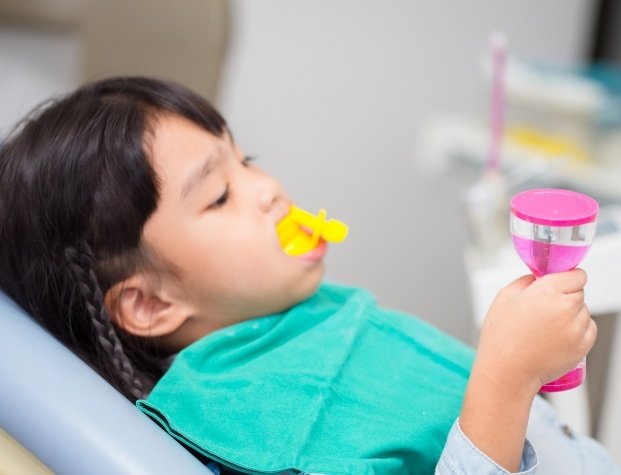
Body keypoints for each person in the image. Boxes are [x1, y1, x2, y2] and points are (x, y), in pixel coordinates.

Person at [0, 76, 617, 475]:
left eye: (249, 161)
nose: (268, 190)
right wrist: (507, 379)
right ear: (150, 305)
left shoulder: (290, 321)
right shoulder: (272, 435)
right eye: (219, 195)